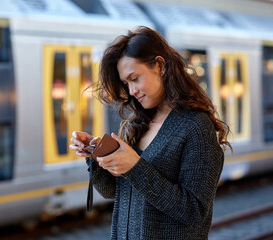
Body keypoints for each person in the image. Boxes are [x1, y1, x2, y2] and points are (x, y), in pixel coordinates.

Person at [69, 26, 231, 240]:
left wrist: (134, 166)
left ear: (160, 66)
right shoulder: (138, 124)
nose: (131, 91)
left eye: (135, 78)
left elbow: (194, 212)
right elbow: (114, 192)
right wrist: (95, 155)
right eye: (126, 83)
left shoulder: (195, 127)